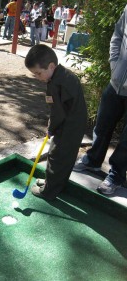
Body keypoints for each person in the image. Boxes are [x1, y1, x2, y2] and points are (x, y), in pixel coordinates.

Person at [73, 5, 127, 195]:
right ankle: (93, 161)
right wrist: (114, 64)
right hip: (117, 81)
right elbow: (118, 35)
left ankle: (117, 175)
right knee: (102, 124)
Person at [25, 44, 87, 200]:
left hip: (68, 126)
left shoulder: (55, 84)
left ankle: (49, 191)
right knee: (64, 156)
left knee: (56, 156)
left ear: (51, 66)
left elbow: (58, 113)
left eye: (39, 73)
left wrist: (51, 128)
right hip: (75, 123)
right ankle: (53, 182)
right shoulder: (63, 74)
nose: (38, 78)